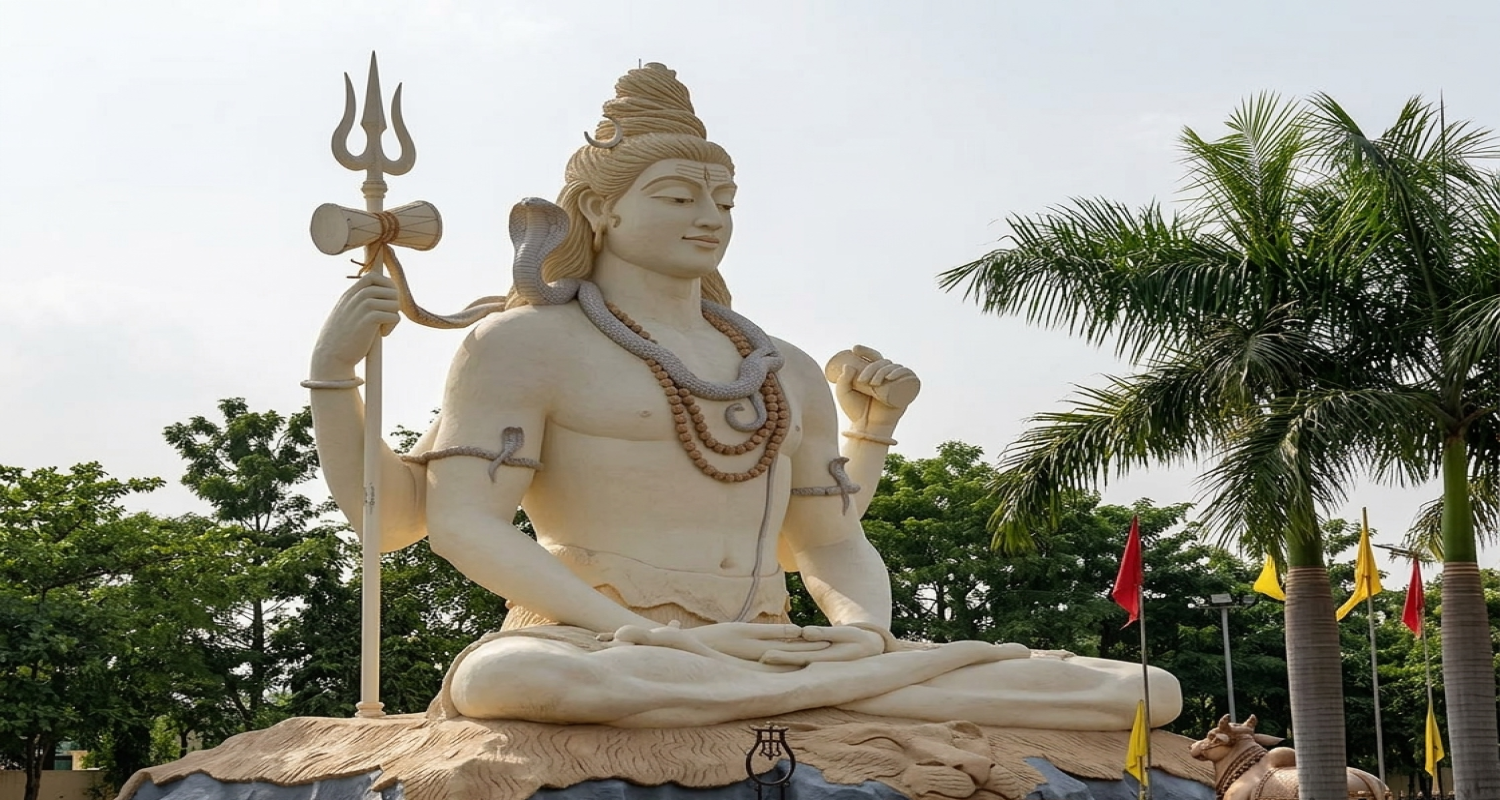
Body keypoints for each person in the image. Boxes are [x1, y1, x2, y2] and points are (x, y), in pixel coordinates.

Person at [307, 63, 1181, 730]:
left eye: (724, 199)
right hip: (602, 643)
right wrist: (336, 376)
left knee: (1152, 690)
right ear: (599, 213)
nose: (710, 216)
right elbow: (455, 523)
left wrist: (862, 631)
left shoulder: (779, 363)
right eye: (678, 196)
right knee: (507, 679)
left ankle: (838, 684)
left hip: (774, 643)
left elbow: (831, 541)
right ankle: (840, 695)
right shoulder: (525, 343)